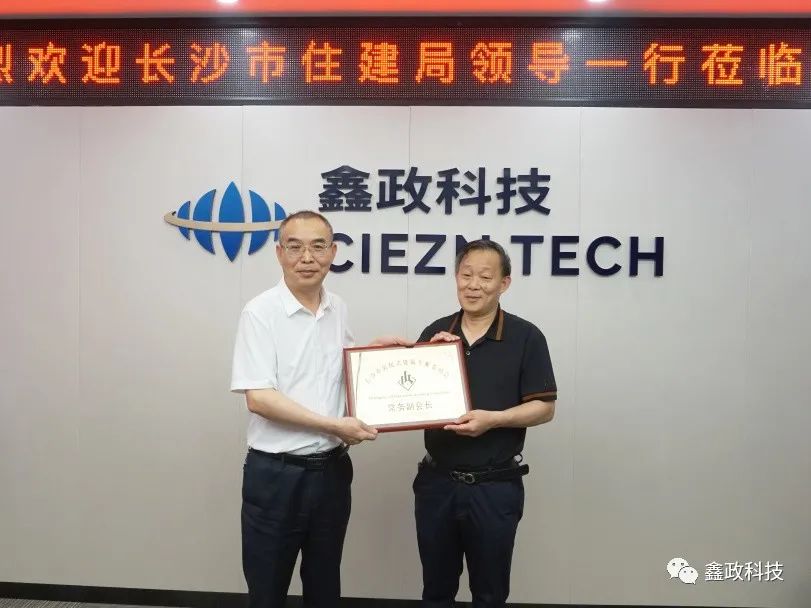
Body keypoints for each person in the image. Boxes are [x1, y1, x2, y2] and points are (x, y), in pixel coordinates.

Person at [230, 210, 404, 608]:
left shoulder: (336, 307)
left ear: (333, 252)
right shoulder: (260, 312)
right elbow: (259, 398)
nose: (306, 257)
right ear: (279, 253)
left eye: (318, 246)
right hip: (277, 476)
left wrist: (374, 354)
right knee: (267, 590)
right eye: (295, 247)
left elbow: (334, 370)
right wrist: (334, 426)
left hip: (331, 473)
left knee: (325, 585)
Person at [413, 239, 557, 608]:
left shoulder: (526, 337)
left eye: (485, 277)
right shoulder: (436, 332)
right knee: (435, 591)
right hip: (437, 484)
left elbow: (544, 408)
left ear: (504, 283)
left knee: (490, 593)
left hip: (495, 487)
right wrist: (426, 355)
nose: (473, 285)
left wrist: (495, 420)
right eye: (466, 275)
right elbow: (410, 397)